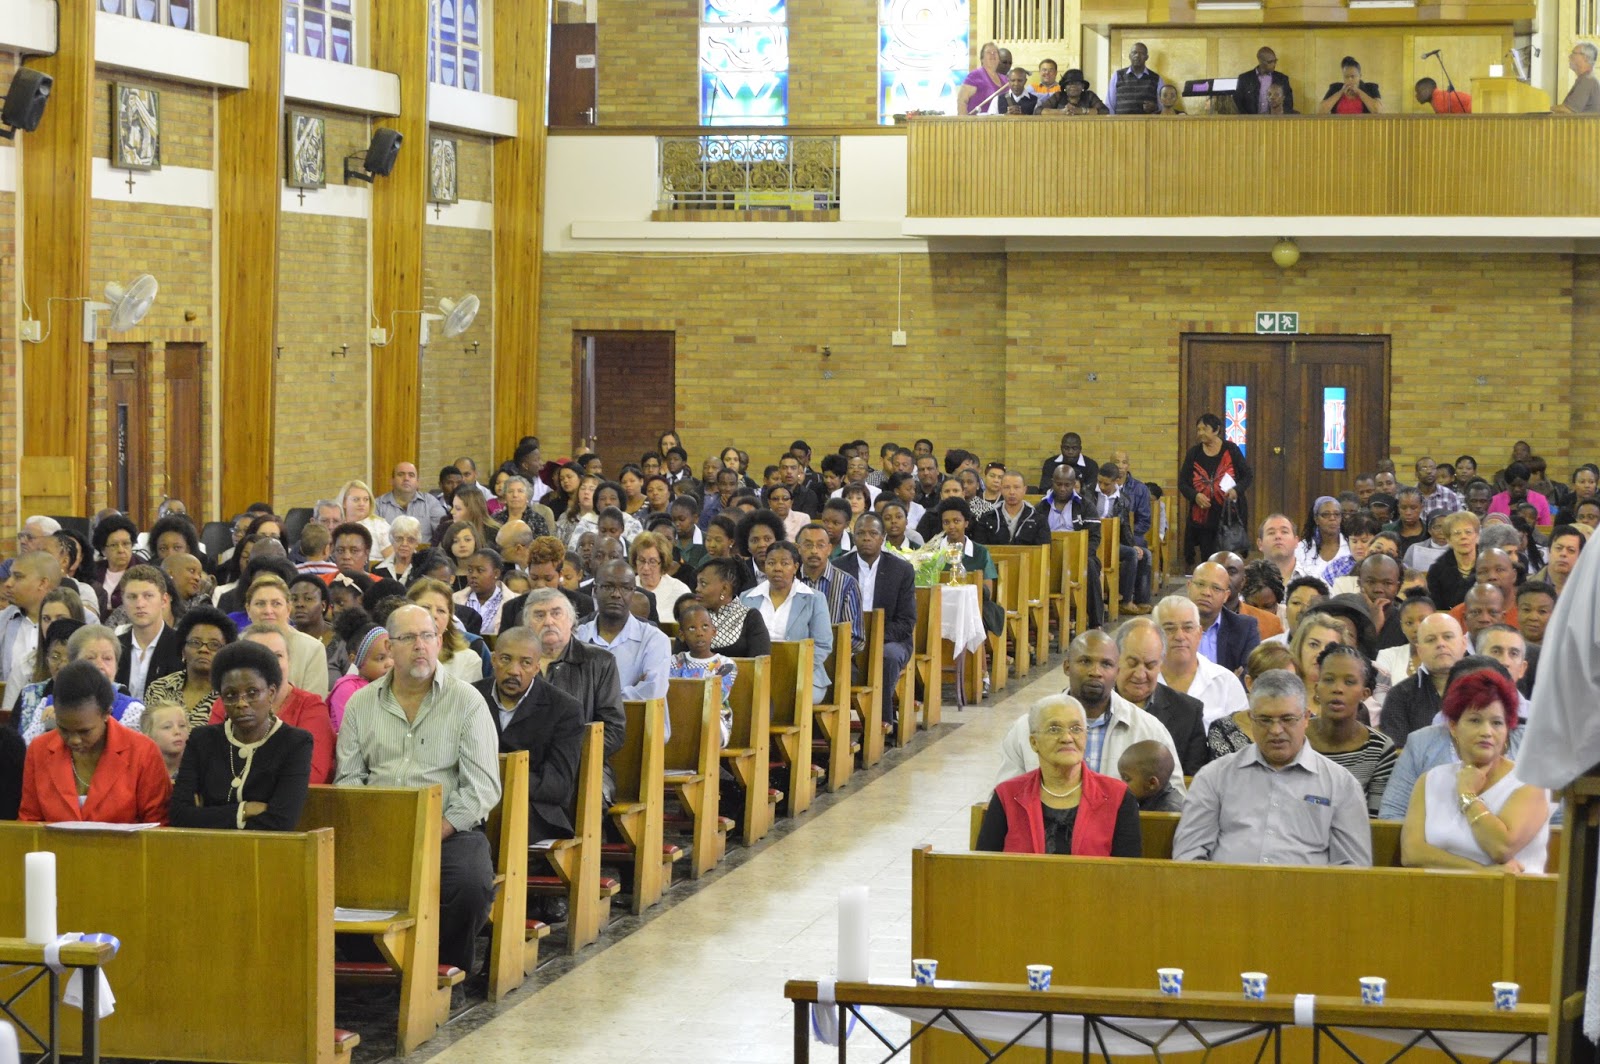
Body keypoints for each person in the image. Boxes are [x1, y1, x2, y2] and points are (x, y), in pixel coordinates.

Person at [336, 603, 501, 974]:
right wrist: (374, 826)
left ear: (439, 641)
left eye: (427, 636)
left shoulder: (466, 701)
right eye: (408, 638)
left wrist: (435, 829)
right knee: (329, 876)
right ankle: (376, 967)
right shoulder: (362, 704)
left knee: (469, 883)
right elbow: (348, 778)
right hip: (377, 829)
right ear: (390, 647)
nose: (420, 646)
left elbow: (482, 787)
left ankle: (446, 970)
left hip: (449, 830)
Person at [1173, 670, 1372, 865]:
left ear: (1306, 719)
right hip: (1226, 895)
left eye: (1287, 719)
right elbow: (1188, 855)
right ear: (1251, 719)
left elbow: (1353, 871)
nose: (1276, 730)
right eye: (1265, 720)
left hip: (1307, 897)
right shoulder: (1214, 776)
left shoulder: (1341, 785)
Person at [997, 630, 1188, 791]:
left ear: (1117, 672)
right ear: (1067, 667)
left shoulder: (1149, 731)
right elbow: (1004, 800)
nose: (1095, 671)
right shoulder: (1027, 728)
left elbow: (1173, 800)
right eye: (1085, 661)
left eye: (1106, 664)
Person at [1401, 670, 1549, 871]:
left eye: (1497, 723)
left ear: (1507, 730)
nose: (1486, 732)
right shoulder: (1430, 781)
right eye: (1475, 720)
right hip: (1439, 896)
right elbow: (1412, 853)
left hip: (1515, 898)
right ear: (1453, 726)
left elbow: (1501, 848)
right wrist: (1480, 873)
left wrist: (1467, 796)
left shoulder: (1530, 782)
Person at [170, 640, 314, 830]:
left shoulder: (295, 743)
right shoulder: (202, 740)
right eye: (230, 695)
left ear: (271, 693)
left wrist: (206, 817)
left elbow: (281, 822)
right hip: (206, 852)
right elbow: (179, 815)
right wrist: (244, 810)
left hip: (267, 854)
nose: (241, 703)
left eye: (252, 692)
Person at [976, 693, 1142, 856]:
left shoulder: (1117, 796)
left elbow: (1127, 872)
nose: (1067, 737)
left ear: (1085, 737)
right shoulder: (1008, 795)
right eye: (1054, 729)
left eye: (1076, 729)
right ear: (1034, 742)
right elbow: (984, 867)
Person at [19, 661, 171, 824]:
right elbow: (29, 821)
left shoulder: (142, 752)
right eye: (64, 729)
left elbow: (158, 827)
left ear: (107, 714)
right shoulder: (39, 749)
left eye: (85, 731)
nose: (74, 740)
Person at [473, 625, 585, 843]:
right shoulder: (471, 696)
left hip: (535, 811)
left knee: (497, 819)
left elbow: (558, 785)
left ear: (536, 667)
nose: (514, 670)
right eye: (506, 659)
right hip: (475, 801)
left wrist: (501, 782)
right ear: (493, 660)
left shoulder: (564, 708)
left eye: (525, 663)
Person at [522, 588, 626, 803]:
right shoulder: (516, 663)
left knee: (579, 795)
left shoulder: (600, 661)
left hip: (584, 764)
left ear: (571, 621)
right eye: (539, 615)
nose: (549, 621)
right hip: (526, 764)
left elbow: (614, 729)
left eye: (556, 613)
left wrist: (566, 754)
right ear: (527, 625)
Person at [834, 513, 916, 724]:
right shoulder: (838, 567)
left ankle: (882, 721)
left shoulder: (901, 570)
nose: (866, 538)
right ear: (853, 537)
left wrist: (873, 638)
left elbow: (906, 621)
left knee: (886, 656)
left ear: (883, 538)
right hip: (847, 639)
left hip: (891, 640)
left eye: (873, 533)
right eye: (860, 533)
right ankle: (832, 724)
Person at [1306, 644, 1396, 815]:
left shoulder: (1379, 748)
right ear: (1317, 688)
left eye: (1349, 682)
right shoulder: (1296, 739)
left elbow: (1375, 820)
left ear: (1365, 693)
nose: (1337, 689)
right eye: (1329, 679)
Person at [739, 542, 834, 702]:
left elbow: (823, 645)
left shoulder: (814, 599)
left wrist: (793, 671)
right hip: (756, 674)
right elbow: (740, 641)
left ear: (795, 567)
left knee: (785, 695)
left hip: (803, 675)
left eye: (784, 563)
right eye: (771, 563)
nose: (777, 568)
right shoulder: (747, 598)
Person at [1115, 617, 1208, 776]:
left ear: (1161, 664)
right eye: (1132, 663)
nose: (1140, 674)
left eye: (1150, 665)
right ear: (1116, 658)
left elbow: (1193, 782)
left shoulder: (1188, 713)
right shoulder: (1095, 705)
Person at [576, 560, 670, 705]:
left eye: (625, 588)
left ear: (633, 593)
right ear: (595, 591)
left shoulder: (654, 639)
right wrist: (631, 691)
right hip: (586, 725)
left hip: (641, 724)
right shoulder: (577, 637)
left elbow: (652, 692)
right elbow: (569, 691)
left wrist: (592, 701)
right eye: (608, 587)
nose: (616, 594)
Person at [1154, 595, 1248, 727]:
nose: (1180, 636)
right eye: (1169, 629)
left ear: (1199, 633)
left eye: (1188, 628)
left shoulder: (1226, 682)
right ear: (1155, 636)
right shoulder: (1143, 681)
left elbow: (1242, 739)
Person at [142, 605, 237, 729]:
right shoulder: (159, 688)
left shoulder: (232, 694)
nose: (204, 649)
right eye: (195, 643)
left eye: (214, 645)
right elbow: (148, 734)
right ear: (182, 649)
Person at [1381, 612, 1467, 746]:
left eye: (1448, 637)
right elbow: (1398, 752)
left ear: (1464, 644)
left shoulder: (1486, 689)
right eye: (1431, 639)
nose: (1440, 644)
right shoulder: (1399, 696)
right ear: (1419, 651)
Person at [1179, 413, 1250, 567]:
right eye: (1198, 429)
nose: (1200, 433)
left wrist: (1236, 490)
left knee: (1227, 558)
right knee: (1208, 557)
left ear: (1216, 430)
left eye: (1204, 429)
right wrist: (1195, 495)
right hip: (1204, 515)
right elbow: (1182, 483)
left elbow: (1247, 476)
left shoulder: (1231, 449)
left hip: (1228, 513)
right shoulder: (1194, 453)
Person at [245, 574, 332, 697]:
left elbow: (314, 705)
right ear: (248, 609)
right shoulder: (237, 645)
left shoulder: (312, 649)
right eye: (260, 604)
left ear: (288, 608)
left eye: (276, 604)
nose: (268, 611)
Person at [116, 564, 184, 701]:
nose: (140, 604)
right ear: (123, 601)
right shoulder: (113, 647)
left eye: (148, 596)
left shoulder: (181, 647)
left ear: (164, 600)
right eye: (132, 597)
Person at [408, 577, 485, 683]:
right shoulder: (395, 652)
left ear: (449, 619)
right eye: (425, 607)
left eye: (441, 610)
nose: (434, 615)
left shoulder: (468, 660)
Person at [1187, 561, 1260, 673]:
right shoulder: (1170, 624)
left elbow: (1248, 676)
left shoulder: (1244, 629)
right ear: (1189, 586)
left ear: (1226, 596)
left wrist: (1229, 685)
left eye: (1216, 588)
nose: (1206, 593)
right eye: (1200, 584)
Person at [329, 608, 392, 732]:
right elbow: (352, 732)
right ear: (355, 659)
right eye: (380, 658)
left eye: (392, 656)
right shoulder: (347, 689)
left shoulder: (393, 684)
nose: (389, 663)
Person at [696, 557, 771, 659]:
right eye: (698, 583)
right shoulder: (693, 616)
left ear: (724, 589)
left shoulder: (750, 617)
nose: (697, 589)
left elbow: (760, 664)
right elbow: (677, 661)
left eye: (703, 584)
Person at [631, 531, 693, 619]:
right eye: (641, 560)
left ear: (663, 563)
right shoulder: (627, 588)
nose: (646, 567)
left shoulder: (680, 591)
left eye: (652, 562)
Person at [1426, 511, 1480, 611]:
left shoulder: (1489, 564)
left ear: (1477, 537)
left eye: (1468, 532)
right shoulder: (1437, 570)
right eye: (1457, 533)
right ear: (1449, 540)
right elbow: (1436, 607)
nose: (1463, 537)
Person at [1295, 497, 1353, 583]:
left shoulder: (1351, 546)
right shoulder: (1301, 548)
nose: (1332, 518)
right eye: (1326, 514)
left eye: (1336, 514)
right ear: (1316, 519)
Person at [1118, 739, 1184, 812]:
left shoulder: (1166, 813)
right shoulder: (1147, 799)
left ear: (1152, 783)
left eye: (1127, 779)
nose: (1121, 784)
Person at [1106, 42, 1165, 115]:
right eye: (1134, 52)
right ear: (1130, 56)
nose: (1137, 56)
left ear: (1146, 57)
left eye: (1142, 53)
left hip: (1148, 124)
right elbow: (1110, 105)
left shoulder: (1157, 79)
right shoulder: (1117, 76)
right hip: (1121, 124)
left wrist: (1155, 107)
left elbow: (1163, 107)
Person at [140, 701, 190, 782]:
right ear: (147, 735)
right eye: (167, 727)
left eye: (182, 725)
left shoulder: (200, 768)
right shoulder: (138, 770)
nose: (177, 732)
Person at [1235, 47, 1293, 114]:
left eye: (1275, 61)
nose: (1274, 64)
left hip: (1275, 121)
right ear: (1260, 61)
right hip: (1250, 121)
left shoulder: (1282, 79)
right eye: (1270, 62)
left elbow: (1288, 104)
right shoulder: (1245, 79)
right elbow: (1238, 104)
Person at [958, 41, 1007, 114]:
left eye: (995, 52)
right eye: (988, 52)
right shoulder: (974, 76)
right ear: (982, 59)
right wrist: (963, 123)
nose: (992, 54)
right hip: (978, 123)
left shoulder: (1005, 79)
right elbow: (962, 100)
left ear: (999, 59)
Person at [1554, 41, 1600, 113]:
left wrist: (1542, 109)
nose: (1569, 56)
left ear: (1585, 57)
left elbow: (1569, 110)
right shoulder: (1585, 78)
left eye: (1573, 53)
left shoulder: (1587, 80)